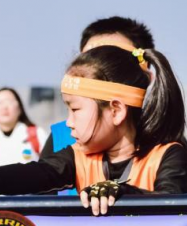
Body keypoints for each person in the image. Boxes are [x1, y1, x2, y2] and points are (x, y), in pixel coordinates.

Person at [0, 45, 187, 216]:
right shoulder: (78, 156)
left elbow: (171, 200)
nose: (69, 122)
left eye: (75, 109)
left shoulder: (168, 154)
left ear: (116, 110)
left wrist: (122, 191)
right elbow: (35, 173)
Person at [40, 16, 156, 158]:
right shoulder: (61, 138)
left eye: (112, 60)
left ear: (147, 77)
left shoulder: (165, 145)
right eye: (90, 59)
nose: (100, 66)